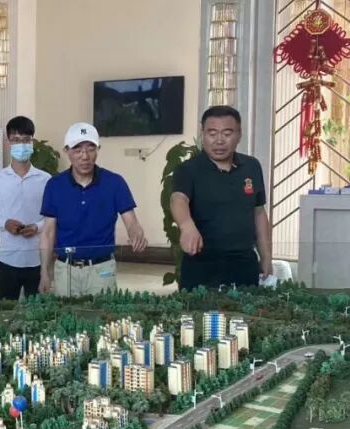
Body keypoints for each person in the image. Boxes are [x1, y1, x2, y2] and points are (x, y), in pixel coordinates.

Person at [39, 122, 147, 297]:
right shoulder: (54, 185)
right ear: (67, 151)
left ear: (98, 150)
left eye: (91, 149)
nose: (85, 156)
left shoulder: (115, 183)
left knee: (103, 313)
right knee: (66, 313)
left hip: (102, 269)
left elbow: (131, 222)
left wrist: (136, 233)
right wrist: (44, 271)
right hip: (65, 270)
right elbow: (48, 233)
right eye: (78, 150)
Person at [171, 105, 272, 290]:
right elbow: (178, 199)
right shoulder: (188, 170)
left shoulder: (251, 166)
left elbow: (259, 212)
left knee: (245, 309)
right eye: (212, 133)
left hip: (244, 263)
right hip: (202, 265)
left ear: (239, 135)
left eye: (227, 133)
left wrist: (266, 256)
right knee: (199, 310)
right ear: (202, 134)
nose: (219, 141)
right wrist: (186, 225)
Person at [0, 115, 50, 300]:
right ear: (8, 142)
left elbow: (53, 218)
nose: (22, 145)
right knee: (6, 310)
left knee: (38, 311)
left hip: (37, 259)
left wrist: (37, 227)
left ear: (32, 142)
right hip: (7, 258)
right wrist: (5, 223)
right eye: (16, 140)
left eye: (26, 140)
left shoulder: (46, 180)